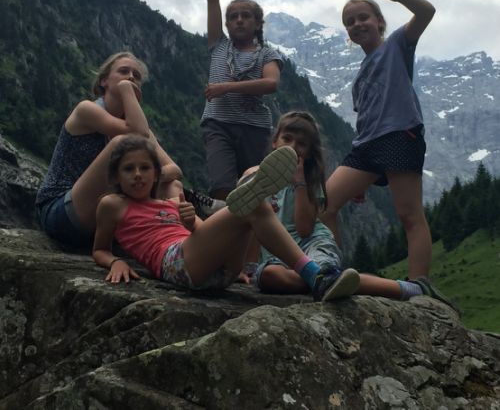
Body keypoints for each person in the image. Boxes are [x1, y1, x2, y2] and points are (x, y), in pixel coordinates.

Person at [92, 134, 358, 302]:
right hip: (174, 262)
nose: (138, 174)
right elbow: (99, 249)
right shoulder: (113, 204)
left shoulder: (171, 203)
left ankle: (312, 274)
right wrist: (115, 261)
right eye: (129, 169)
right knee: (253, 206)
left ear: (156, 175)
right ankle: (316, 275)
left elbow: (203, 231)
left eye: (145, 168)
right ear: (115, 176)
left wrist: (189, 222)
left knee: (255, 207)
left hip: (219, 269)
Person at [245, 111, 452, 306]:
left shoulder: (309, 181)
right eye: (287, 139)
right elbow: (250, 223)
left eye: (302, 144)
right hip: (277, 257)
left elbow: (304, 229)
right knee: (269, 276)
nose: (293, 147)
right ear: (275, 142)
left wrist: (299, 182)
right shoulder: (255, 175)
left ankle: (411, 289)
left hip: (312, 246)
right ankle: (323, 281)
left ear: (309, 153)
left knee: (322, 274)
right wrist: (249, 267)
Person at [321, 0, 436, 282]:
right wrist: (361, 181)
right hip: (366, 147)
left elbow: (427, 11)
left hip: (400, 135)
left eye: (363, 18)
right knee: (324, 205)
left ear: (379, 22)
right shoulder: (359, 76)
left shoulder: (397, 44)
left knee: (409, 216)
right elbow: (366, 119)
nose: (357, 24)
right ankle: (331, 273)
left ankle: (418, 287)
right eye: (350, 22)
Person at [35, 52, 183, 247]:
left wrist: (151, 177)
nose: (131, 77)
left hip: (103, 218)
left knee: (172, 186)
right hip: (61, 212)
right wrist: (127, 90)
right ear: (103, 81)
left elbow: (175, 169)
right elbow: (137, 134)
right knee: (123, 145)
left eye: (136, 76)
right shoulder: (86, 110)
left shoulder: (138, 128)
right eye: (124, 71)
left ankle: (176, 244)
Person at [201, 0, 283, 201]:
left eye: (246, 15)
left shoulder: (267, 54)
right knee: (222, 187)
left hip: (254, 129)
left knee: (252, 192)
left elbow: (271, 83)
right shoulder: (218, 45)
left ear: (257, 23)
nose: (239, 20)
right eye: (233, 16)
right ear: (226, 24)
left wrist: (227, 87)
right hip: (218, 124)